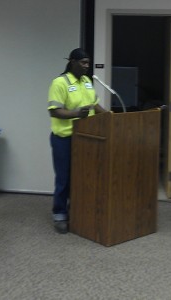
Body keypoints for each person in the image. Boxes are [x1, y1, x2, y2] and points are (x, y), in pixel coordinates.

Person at [47, 48, 106, 234]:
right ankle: (60, 214)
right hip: (63, 139)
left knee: (83, 177)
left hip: (85, 139)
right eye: (83, 63)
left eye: (88, 63)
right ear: (72, 62)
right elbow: (54, 110)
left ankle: (79, 212)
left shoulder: (88, 82)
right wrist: (74, 114)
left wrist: (110, 116)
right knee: (64, 178)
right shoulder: (59, 82)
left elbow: (94, 105)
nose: (87, 67)